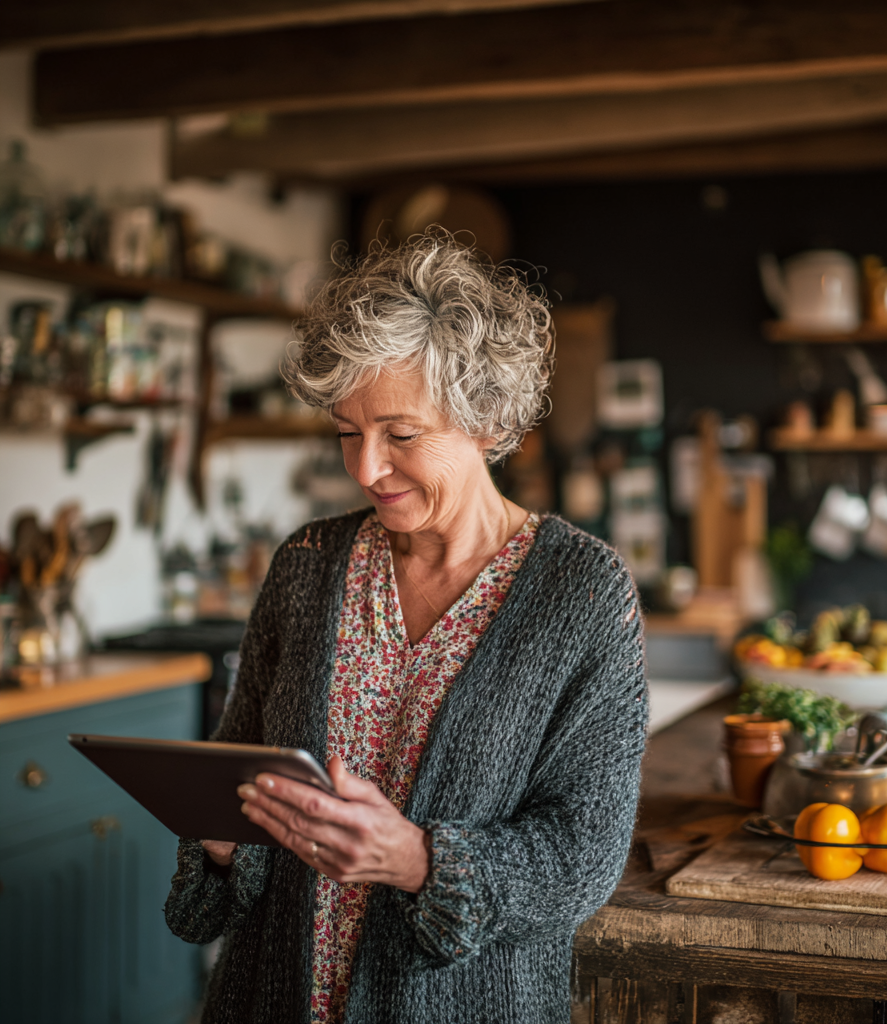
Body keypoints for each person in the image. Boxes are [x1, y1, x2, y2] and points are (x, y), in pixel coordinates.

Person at [164, 230, 648, 1024]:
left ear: (486, 419)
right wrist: (221, 840)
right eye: (348, 432)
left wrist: (419, 862)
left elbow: (583, 855)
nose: (365, 469)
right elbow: (237, 772)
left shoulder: (582, 592)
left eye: (402, 434)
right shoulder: (307, 565)